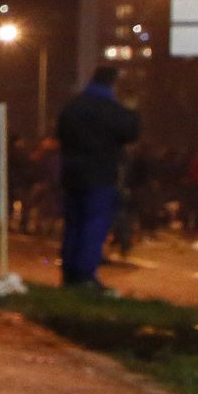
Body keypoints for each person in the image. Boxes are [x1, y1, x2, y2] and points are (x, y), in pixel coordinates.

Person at [56, 65, 142, 291]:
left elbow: (60, 133)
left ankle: (70, 274)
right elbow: (131, 132)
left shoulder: (73, 107)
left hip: (72, 172)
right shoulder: (110, 109)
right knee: (94, 223)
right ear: (113, 84)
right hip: (100, 174)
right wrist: (131, 109)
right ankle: (85, 275)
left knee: (74, 223)